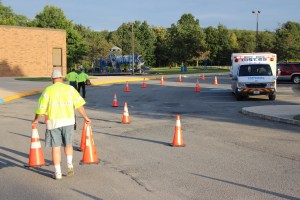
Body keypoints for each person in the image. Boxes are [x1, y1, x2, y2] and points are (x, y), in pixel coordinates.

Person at [32, 70, 91, 180]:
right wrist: (85, 117)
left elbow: (41, 109)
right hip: (68, 121)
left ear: (52, 79)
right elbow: (79, 105)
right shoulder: (70, 89)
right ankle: (69, 165)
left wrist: (36, 120)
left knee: (56, 147)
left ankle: (58, 173)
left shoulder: (48, 90)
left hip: (54, 123)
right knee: (68, 145)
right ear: (62, 78)